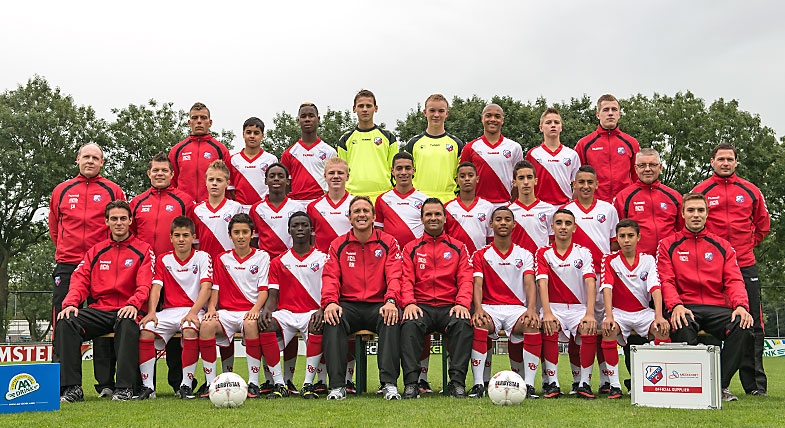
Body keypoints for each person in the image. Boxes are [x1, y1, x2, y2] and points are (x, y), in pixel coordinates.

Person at [658, 193, 754, 402]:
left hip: (716, 306)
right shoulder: (668, 244)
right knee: (682, 323)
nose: (696, 215)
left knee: (743, 325)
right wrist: (675, 305)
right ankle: (693, 383)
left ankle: (719, 384)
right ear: (682, 214)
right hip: (685, 306)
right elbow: (666, 281)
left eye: (700, 210)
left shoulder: (723, 246)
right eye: (691, 210)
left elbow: (734, 280)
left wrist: (741, 306)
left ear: (707, 213)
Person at [692, 142, 770, 397]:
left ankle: (754, 385)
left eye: (730, 159)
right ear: (712, 162)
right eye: (720, 159)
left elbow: (762, 226)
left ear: (736, 162)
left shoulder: (750, 191)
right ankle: (713, 380)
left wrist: (743, 248)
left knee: (752, 323)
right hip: (710, 266)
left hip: (745, 265)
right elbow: (693, 222)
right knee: (712, 320)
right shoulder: (701, 190)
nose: (725, 163)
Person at [56, 200, 153, 402]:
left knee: (127, 322)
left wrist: (133, 303)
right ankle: (72, 388)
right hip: (99, 310)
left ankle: (124, 388)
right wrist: (71, 303)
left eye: (123, 219)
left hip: (128, 308)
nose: (119, 223)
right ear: (106, 221)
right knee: (66, 321)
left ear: (130, 220)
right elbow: (80, 279)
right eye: (114, 219)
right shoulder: (96, 251)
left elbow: (145, 285)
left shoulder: (143, 250)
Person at [49, 142, 125, 397]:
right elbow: (55, 229)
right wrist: (67, 251)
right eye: (86, 157)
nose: (90, 161)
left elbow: (119, 225)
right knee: (63, 321)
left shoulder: (112, 189)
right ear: (77, 159)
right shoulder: (61, 190)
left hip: (101, 265)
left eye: (96, 158)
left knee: (103, 324)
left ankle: (105, 384)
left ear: (102, 162)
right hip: (68, 265)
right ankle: (64, 384)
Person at [321, 196, 403, 401]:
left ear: (374, 216)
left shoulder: (388, 242)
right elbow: (330, 277)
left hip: (379, 305)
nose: (361, 215)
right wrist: (330, 302)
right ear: (349, 218)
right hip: (349, 305)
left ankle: (389, 384)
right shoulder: (338, 244)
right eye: (356, 211)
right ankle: (337, 386)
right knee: (332, 318)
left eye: (366, 211)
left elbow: (395, 276)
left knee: (391, 317)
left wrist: (391, 301)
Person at [130, 154, 196, 394]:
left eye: (164, 170)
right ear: (149, 174)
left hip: (175, 272)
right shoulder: (137, 202)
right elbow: (132, 237)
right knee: (147, 325)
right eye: (155, 170)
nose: (159, 174)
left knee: (178, 329)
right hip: (145, 274)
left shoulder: (184, 200)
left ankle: (180, 383)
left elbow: (189, 234)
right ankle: (146, 385)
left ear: (172, 174)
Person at [400, 198, 473, 399]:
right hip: (420, 306)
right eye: (429, 215)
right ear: (422, 219)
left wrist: (462, 303)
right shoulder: (411, 248)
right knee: (409, 324)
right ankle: (411, 384)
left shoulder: (458, 247)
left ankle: (457, 383)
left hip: (450, 305)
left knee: (462, 323)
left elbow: (466, 279)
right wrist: (409, 303)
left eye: (437, 214)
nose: (433, 218)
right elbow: (405, 280)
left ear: (445, 218)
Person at [136, 216, 212, 400]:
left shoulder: (203, 257)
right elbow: (156, 287)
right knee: (145, 329)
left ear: (193, 237)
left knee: (190, 329)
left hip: (195, 310)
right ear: (170, 237)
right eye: (177, 235)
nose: (181, 239)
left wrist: (193, 312)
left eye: (186, 235)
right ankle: (148, 387)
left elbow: (207, 287)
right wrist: (152, 312)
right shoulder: (163, 259)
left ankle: (186, 385)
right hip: (169, 312)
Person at [469, 206, 541, 399]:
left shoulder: (525, 254)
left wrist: (532, 309)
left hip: (516, 309)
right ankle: (478, 385)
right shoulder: (480, 254)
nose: (503, 223)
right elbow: (477, 284)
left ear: (514, 224)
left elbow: (529, 284)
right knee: (480, 322)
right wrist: (478, 309)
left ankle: (529, 385)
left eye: (507, 219)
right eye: (498, 219)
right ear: (491, 224)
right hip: (490, 308)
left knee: (532, 323)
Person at [198, 213, 270, 399]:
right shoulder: (222, 258)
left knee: (251, 324)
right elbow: (215, 288)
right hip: (227, 312)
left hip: (251, 310)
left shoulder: (262, 257)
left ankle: (253, 382)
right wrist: (212, 309)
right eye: (236, 232)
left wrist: (255, 310)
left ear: (252, 234)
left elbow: (264, 291)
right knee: (206, 325)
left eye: (245, 232)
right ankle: (210, 383)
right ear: (229, 235)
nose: (240, 236)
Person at [561, 165, 619, 394]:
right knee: (581, 329)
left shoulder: (608, 209)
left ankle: (606, 379)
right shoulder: (565, 210)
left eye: (589, 182)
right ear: (573, 185)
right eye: (581, 182)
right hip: (575, 278)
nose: (585, 186)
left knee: (604, 328)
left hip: (602, 277)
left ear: (596, 185)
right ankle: (578, 380)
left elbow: (613, 244)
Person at [598, 219, 670, 399]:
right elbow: (607, 287)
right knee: (609, 330)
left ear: (638, 237)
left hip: (643, 311)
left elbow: (655, 288)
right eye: (622, 236)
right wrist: (609, 316)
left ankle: (660, 383)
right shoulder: (609, 259)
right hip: (620, 312)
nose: (626, 240)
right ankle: (614, 385)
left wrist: (659, 316)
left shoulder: (648, 260)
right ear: (617, 238)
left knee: (662, 330)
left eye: (630, 236)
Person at [258, 212, 327, 399]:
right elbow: (273, 295)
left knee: (317, 324)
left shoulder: (323, 259)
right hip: (286, 313)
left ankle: (308, 385)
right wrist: (267, 311)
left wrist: (323, 309)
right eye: (295, 225)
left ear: (311, 230)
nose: (300, 229)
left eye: (304, 225)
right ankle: (279, 384)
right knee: (266, 325)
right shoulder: (278, 261)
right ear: (289, 230)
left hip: (313, 312)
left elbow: (329, 290)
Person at [536, 209, 598, 399]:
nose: (563, 227)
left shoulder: (584, 252)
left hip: (579, 307)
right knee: (549, 325)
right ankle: (552, 383)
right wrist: (547, 312)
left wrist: (590, 313)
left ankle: (584, 383)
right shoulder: (543, 252)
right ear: (552, 227)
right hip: (554, 306)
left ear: (574, 227)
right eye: (559, 223)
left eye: (568, 223)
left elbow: (590, 282)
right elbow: (542, 283)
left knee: (588, 328)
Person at [612, 148, 682, 256]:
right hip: (638, 262)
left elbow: (682, 231)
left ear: (660, 167)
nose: (647, 169)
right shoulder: (623, 197)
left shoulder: (674, 196)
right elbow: (617, 234)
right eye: (642, 165)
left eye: (652, 165)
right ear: (635, 168)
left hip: (668, 259)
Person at [574, 94, 640, 202]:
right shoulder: (584, 144)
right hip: (595, 203)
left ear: (619, 114)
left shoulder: (631, 143)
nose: (610, 113)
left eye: (614, 110)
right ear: (598, 114)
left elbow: (636, 175)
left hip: (624, 203)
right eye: (605, 110)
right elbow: (576, 176)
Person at [337, 89, 399, 201]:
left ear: (376, 108)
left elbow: (395, 169)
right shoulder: (345, 139)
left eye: (368, 106)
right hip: (353, 196)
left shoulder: (389, 137)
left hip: (384, 195)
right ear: (354, 109)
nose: (365, 109)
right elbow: (342, 171)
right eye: (360, 106)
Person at [404, 94, 464, 202]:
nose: (436, 115)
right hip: (418, 200)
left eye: (441, 111)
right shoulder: (413, 143)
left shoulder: (457, 144)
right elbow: (404, 173)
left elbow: (462, 175)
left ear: (447, 113)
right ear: (425, 112)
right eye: (432, 110)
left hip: (449, 201)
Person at [460, 104, 523, 206]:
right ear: (482, 119)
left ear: (502, 120)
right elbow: (462, 178)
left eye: (497, 116)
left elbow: (519, 178)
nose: (493, 119)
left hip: (505, 205)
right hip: (478, 205)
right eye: (488, 116)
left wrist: (513, 203)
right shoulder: (470, 147)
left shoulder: (514, 147)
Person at [169, 102, 232, 202]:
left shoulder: (220, 150)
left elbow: (228, 182)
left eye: (203, 118)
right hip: (185, 207)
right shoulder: (177, 150)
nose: (199, 121)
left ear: (210, 122)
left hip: (211, 208)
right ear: (189, 122)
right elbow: (171, 182)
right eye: (195, 118)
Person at [188, 160, 246, 261]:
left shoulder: (236, 207)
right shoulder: (196, 210)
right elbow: (194, 242)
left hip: (229, 263)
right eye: (211, 180)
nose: (214, 183)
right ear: (205, 182)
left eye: (219, 180)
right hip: (205, 264)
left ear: (227, 183)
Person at [281, 103, 337, 205]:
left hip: (321, 203)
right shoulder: (288, 153)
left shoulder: (329, 152)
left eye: (311, 116)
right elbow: (285, 185)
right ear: (298, 121)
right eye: (303, 116)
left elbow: (334, 182)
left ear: (318, 119)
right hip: (296, 204)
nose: (307, 119)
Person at [526, 107, 581, 205]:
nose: (553, 125)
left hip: (564, 207)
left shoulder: (572, 154)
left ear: (561, 127)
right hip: (539, 207)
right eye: (548, 122)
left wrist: (571, 204)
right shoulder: (532, 154)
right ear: (541, 127)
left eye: (556, 122)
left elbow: (577, 185)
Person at [374, 152, 429, 247]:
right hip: (391, 253)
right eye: (399, 168)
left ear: (413, 170)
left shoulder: (425, 200)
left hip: (417, 253)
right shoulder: (382, 199)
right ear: (392, 171)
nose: (403, 172)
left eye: (407, 168)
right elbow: (378, 231)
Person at [444, 162, 494, 255]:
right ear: (457, 181)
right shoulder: (447, 208)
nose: (467, 179)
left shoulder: (488, 207)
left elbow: (490, 239)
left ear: (477, 179)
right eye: (462, 176)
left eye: (470, 175)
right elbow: (443, 239)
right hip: (455, 260)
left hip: (479, 260)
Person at [508, 160, 556, 255]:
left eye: (529, 177)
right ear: (515, 182)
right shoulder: (508, 212)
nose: (526, 182)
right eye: (521, 178)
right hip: (517, 265)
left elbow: (552, 242)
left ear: (535, 181)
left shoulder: (549, 210)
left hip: (541, 264)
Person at [230, 117, 279, 207]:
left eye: (256, 133)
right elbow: (230, 189)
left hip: (264, 208)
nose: (252, 136)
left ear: (262, 135)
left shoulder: (271, 159)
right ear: (243, 134)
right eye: (248, 132)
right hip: (240, 209)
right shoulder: (233, 160)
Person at [307, 157, 353, 253]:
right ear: (325, 176)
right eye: (331, 173)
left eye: (340, 173)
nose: (336, 176)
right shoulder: (313, 207)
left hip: (350, 260)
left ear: (347, 177)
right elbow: (310, 241)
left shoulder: (357, 204)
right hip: (323, 262)